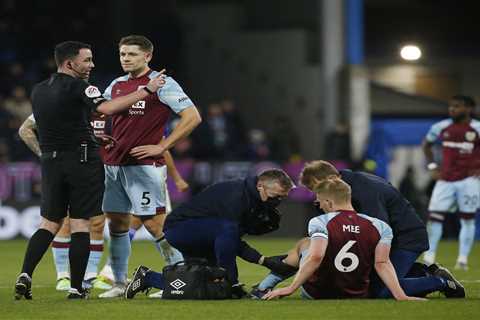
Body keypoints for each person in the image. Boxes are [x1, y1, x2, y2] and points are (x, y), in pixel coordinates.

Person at [14, 40, 166, 300]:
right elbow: (107, 108)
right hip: (81, 162)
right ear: (70, 63)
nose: (92, 65)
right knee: (81, 223)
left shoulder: (39, 90)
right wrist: (146, 90)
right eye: (87, 60)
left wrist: (49, 154)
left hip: (51, 162)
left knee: (49, 222)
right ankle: (76, 288)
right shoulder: (82, 87)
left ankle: (25, 274)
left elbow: (34, 130)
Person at [99, 35, 202, 298]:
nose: (125, 59)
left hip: (143, 166)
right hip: (114, 165)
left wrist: (163, 145)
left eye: (132, 54)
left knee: (155, 224)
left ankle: (180, 281)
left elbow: (192, 117)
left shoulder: (162, 83)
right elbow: (101, 112)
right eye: (122, 54)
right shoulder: (117, 85)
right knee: (118, 224)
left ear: (147, 56)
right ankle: (119, 283)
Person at [298, 160, 463, 299]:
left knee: (380, 289)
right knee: (368, 279)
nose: (317, 195)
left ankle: (440, 282)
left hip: (406, 239)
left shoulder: (364, 190)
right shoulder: (347, 187)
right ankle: (422, 272)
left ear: (333, 178)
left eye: (317, 188)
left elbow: (379, 230)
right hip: (395, 235)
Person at [124, 169, 295, 299]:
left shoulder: (254, 199)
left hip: (206, 233)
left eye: (282, 198)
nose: (278, 201)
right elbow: (231, 238)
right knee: (227, 234)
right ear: (260, 186)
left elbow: (230, 240)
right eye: (276, 196)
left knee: (202, 286)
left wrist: (263, 260)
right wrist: (263, 260)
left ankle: (148, 278)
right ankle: (231, 283)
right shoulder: (237, 196)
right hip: (180, 229)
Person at [263, 178, 424, 300]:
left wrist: (290, 288)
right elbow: (382, 263)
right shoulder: (380, 226)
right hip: (358, 293)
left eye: (320, 202)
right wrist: (401, 296)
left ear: (329, 202)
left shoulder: (320, 222)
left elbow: (316, 257)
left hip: (318, 293)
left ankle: (265, 286)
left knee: (305, 243)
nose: (319, 206)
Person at [18, 114, 112, 291]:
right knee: (71, 222)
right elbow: (24, 129)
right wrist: (43, 154)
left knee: (96, 222)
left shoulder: (88, 103)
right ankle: (64, 278)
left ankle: (89, 276)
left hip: (91, 168)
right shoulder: (57, 100)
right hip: (73, 169)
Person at [422, 95, 480, 270]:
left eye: (457, 106)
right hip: (445, 180)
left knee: (468, 219)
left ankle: (462, 259)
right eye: (451, 106)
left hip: (469, 180)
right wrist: (432, 166)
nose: (452, 109)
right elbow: (426, 145)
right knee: (434, 217)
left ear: (469, 108)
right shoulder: (441, 126)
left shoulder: (477, 128)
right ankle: (429, 256)